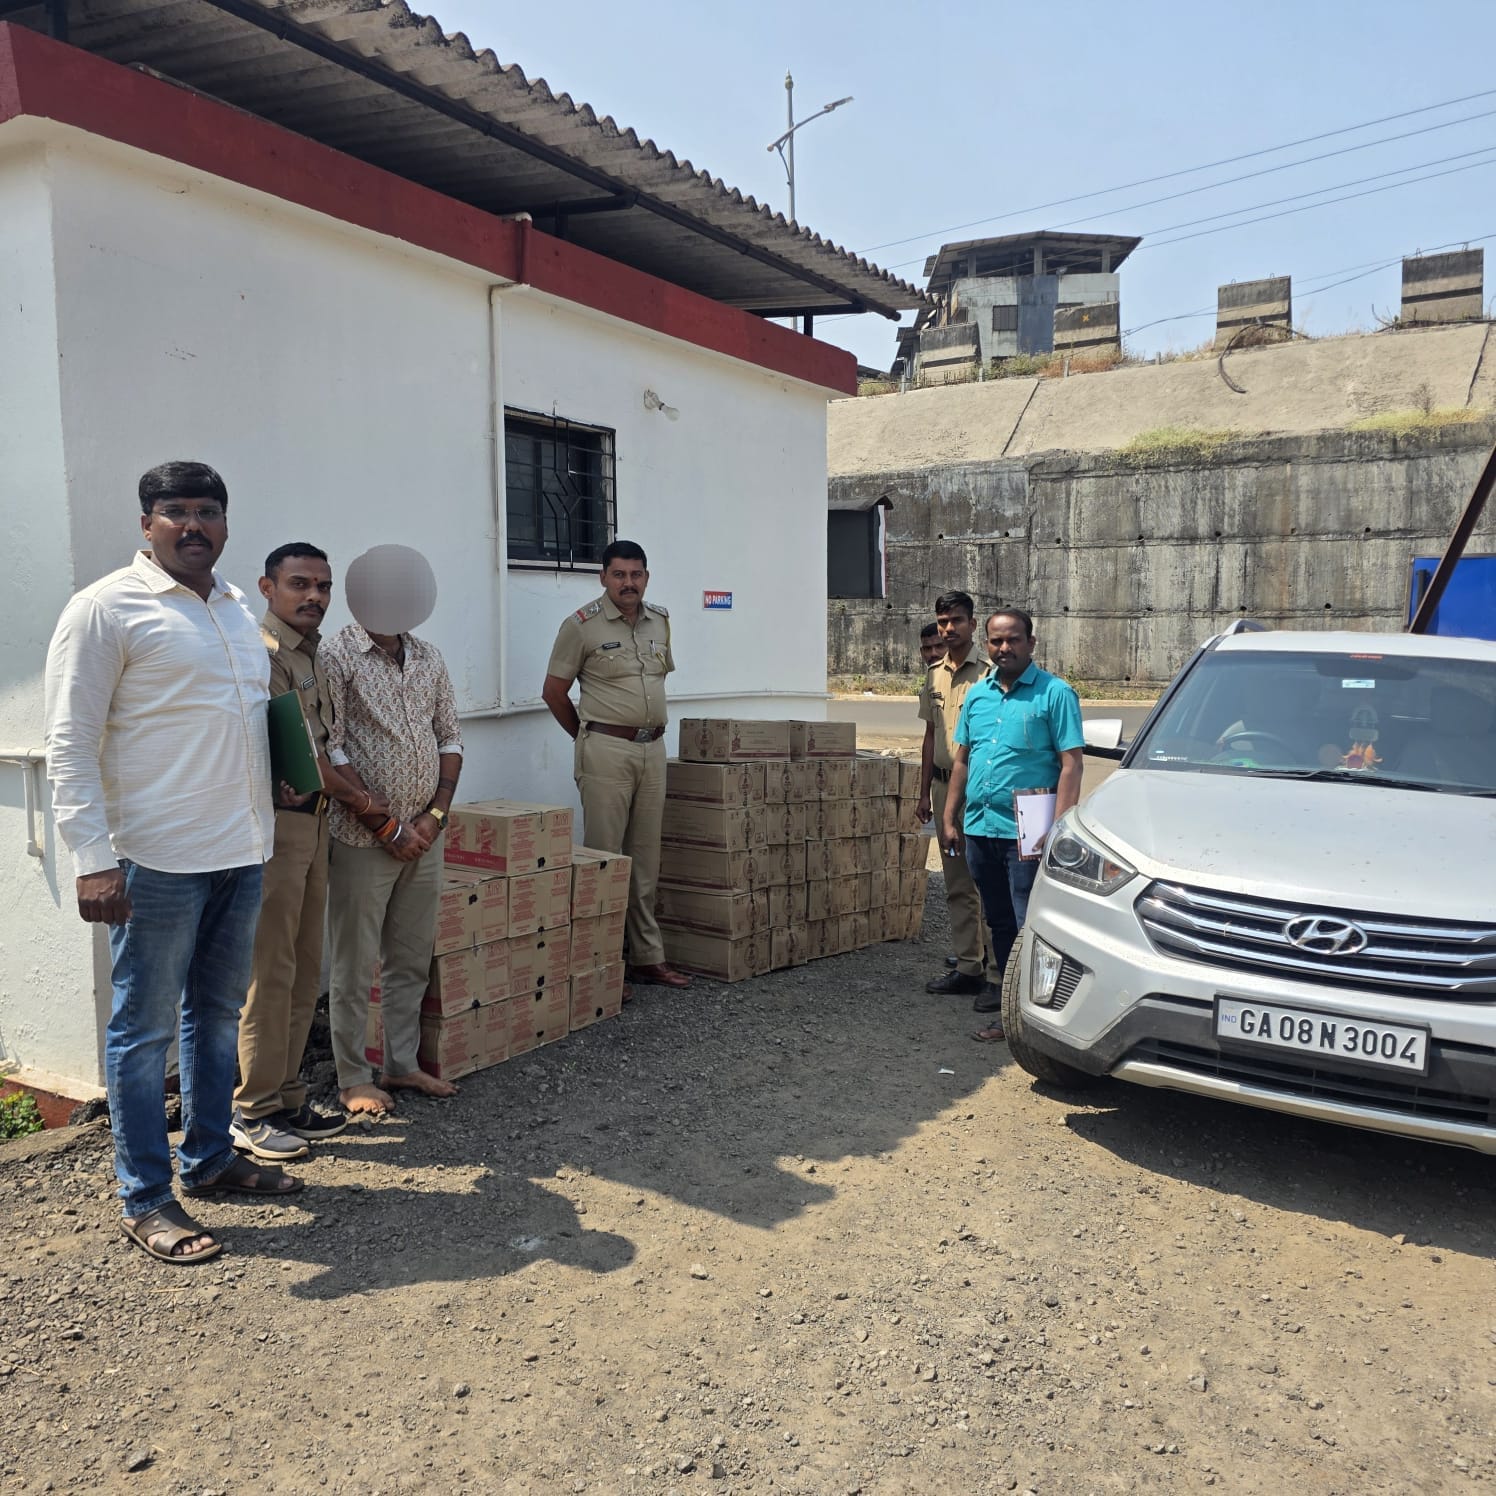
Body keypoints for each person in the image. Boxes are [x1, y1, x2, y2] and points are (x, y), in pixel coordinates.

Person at [44, 461, 301, 1266]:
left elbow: (239, 718)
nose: (194, 525)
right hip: (153, 860)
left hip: (241, 850)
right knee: (143, 1031)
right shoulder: (105, 608)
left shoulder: (234, 609)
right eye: (176, 511)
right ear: (146, 524)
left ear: (226, 524)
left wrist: (280, 776)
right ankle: (146, 1198)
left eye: (208, 511)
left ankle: (211, 1158)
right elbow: (69, 743)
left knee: (216, 1017)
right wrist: (92, 859)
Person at [231, 544, 389, 1163]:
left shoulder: (312, 654)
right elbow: (297, 755)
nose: (314, 596)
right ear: (267, 587)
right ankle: (251, 1109)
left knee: (303, 967)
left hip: (314, 822)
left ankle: (287, 1097)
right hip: (277, 828)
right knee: (270, 970)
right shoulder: (262, 653)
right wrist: (367, 804)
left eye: (322, 586)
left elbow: (321, 746)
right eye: (300, 584)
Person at [323, 554, 464, 1115]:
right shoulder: (337, 655)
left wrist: (435, 817)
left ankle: (401, 1064)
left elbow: (449, 736)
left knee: (410, 958)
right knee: (354, 964)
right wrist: (386, 826)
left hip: (424, 837)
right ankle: (353, 1077)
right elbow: (332, 747)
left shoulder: (429, 656)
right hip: (363, 839)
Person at [542, 540, 690, 990]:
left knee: (645, 861)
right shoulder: (581, 626)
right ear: (603, 577)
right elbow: (553, 692)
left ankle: (647, 957)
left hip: (652, 749)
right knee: (603, 861)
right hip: (606, 749)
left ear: (646, 577)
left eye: (636, 574)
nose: (629, 583)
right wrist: (588, 738)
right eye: (620, 574)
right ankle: (599, 967)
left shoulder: (660, 621)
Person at [941, 609, 1085, 1042]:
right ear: (987, 644)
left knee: (1029, 925)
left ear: (1031, 643)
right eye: (996, 641)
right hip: (980, 826)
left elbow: (1071, 764)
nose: (1004, 648)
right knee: (999, 921)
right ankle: (1011, 1009)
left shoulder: (1055, 694)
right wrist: (949, 816)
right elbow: (963, 760)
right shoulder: (978, 696)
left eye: (1013, 640)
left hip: (1030, 831)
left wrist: (1057, 828)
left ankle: (1037, 1017)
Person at [917, 592, 994, 999]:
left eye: (956, 621)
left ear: (972, 624)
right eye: (943, 621)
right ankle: (969, 967)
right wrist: (923, 793)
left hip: (981, 791)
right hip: (943, 787)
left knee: (990, 884)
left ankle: (998, 973)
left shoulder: (990, 674)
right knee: (958, 884)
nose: (948, 629)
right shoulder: (934, 675)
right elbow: (931, 736)